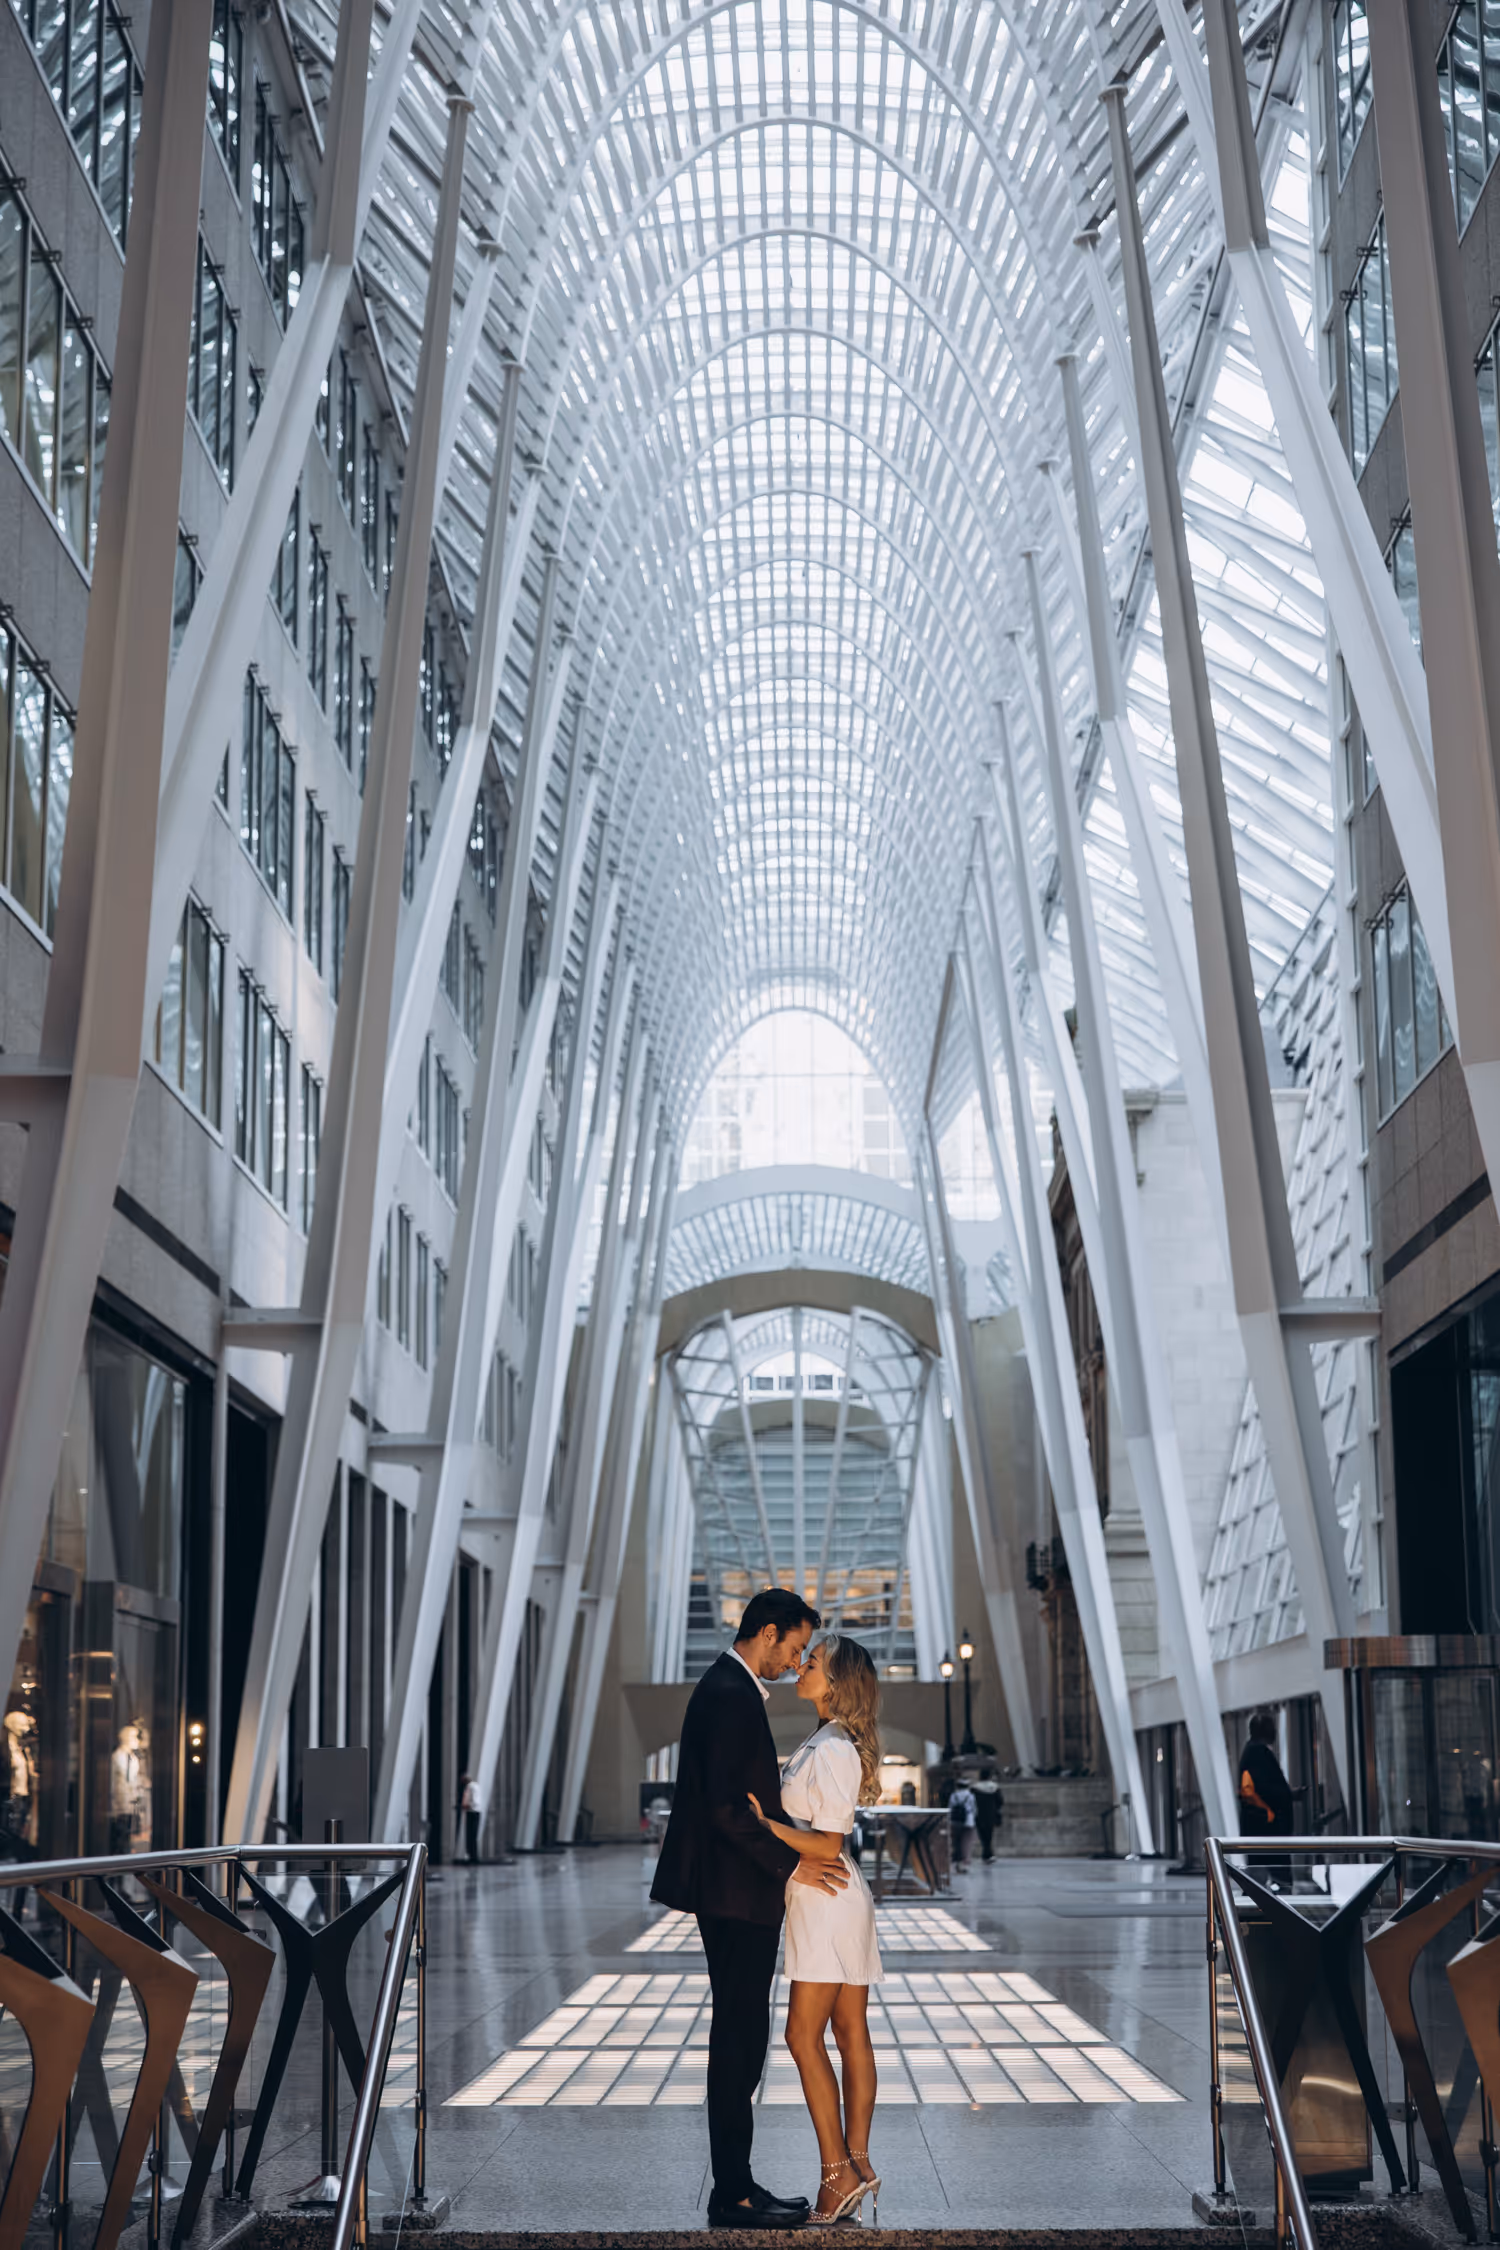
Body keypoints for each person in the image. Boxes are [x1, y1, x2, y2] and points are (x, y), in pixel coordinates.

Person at [651, 1588, 846, 2231]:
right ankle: (732, 2195)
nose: (795, 1662)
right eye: (793, 1647)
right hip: (736, 1893)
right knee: (737, 2041)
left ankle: (738, 2186)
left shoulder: (727, 1690)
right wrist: (794, 1863)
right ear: (766, 1633)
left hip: (735, 1890)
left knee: (740, 2038)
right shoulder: (730, 1695)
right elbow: (729, 1811)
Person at [749, 1633, 885, 2227]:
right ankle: (855, 2160)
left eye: (813, 1662)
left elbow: (828, 1842)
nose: (801, 1666)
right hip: (833, 1895)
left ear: (835, 1683)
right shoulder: (827, 1739)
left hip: (824, 1897)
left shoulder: (831, 1749)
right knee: (849, 2030)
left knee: (802, 2037)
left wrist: (766, 1826)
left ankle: (837, 2174)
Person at [1238, 1710, 1294, 1888]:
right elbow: (1263, 1789)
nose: (1275, 1732)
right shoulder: (1258, 1753)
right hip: (1266, 1828)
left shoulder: (1252, 1752)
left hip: (1261, 1826)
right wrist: (1285, 1797)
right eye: (1272, 1728)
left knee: (1260, 1874)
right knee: (1270, 1875)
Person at [948, 1778, 977, 1869]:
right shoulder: (970, 1796)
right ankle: (965, 1858)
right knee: (967, 1841)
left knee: (956, 1840)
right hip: (968, 1820)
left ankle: (956, 1858)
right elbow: (974, 1808)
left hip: (956, 1820)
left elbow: (950, 1807)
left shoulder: (954, 1795)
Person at [458, 1773, 482, 1864]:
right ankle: (474, 1856)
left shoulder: (469, 1787)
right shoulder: (476, 1786)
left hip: (471, 1812)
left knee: (470, 1836)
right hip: (477, 1811)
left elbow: (469, 1801)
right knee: (474, 1835)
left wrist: (464, 1806)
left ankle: (472, 1857)